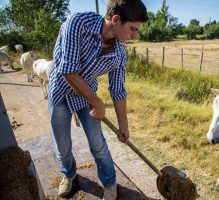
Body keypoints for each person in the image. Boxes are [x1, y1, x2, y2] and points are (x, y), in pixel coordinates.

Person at [48, 0, 148, 199]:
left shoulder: (119, 52)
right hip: (60, 92)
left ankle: (110, 184)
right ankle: (69, 175)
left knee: (98, 144)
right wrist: (98, 103)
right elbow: (68, 71)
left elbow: (118, 90)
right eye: (133, 29)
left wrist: (123, 126)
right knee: (63, 144)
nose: (135, 36)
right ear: (116, 20)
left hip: (87, 95)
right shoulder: (78, 23)